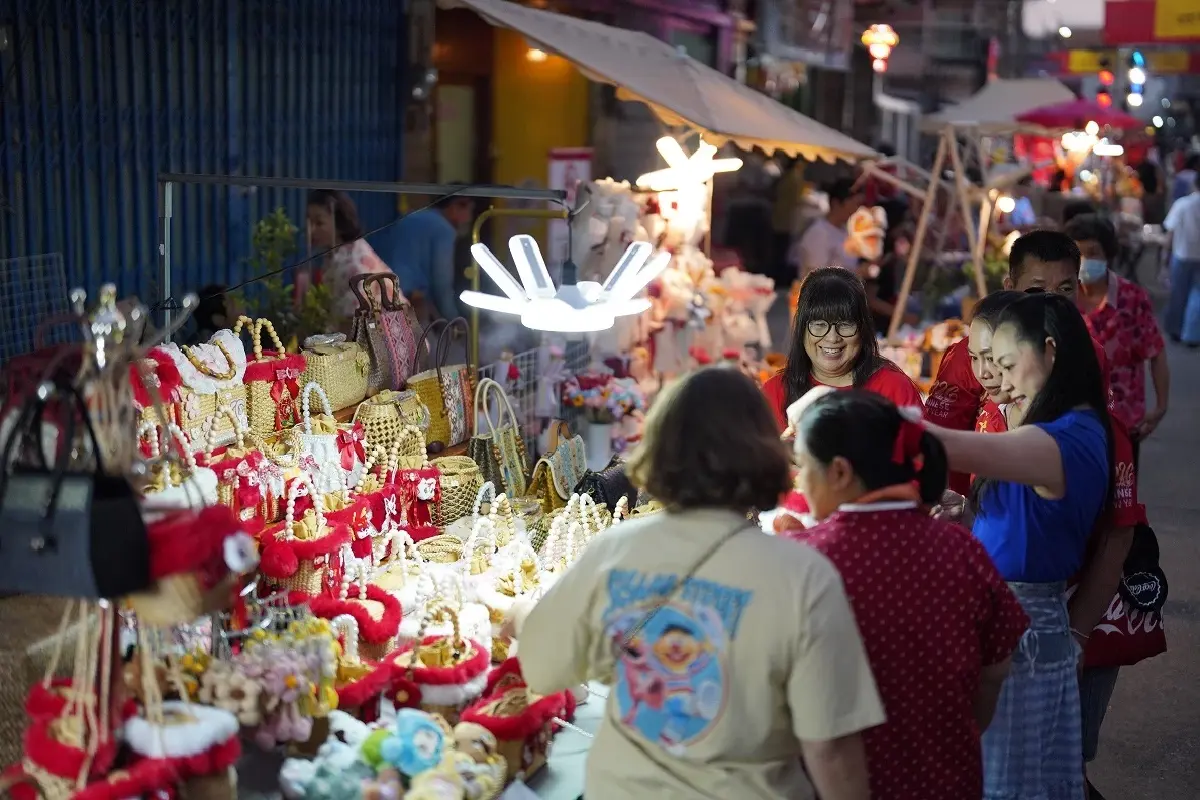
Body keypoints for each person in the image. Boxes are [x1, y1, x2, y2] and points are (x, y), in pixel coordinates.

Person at [507, 368, 884, 800]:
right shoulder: (805, 578)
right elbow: (832, 750)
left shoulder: (616, 549)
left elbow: (541, 667)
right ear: (765, 452)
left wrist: (521, 614)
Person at [784, 389, 1028, 800]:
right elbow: (996, 668)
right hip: (948, 779)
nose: (799, 482)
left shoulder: (801, 561)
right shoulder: (962, 549)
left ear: (840, 473)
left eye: (803, 467)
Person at [926, 291, 1114, 800]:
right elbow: (1011, 526)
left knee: (1007, 784)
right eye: (986, 362)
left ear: (1049, 352)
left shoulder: (1069, 436)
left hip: (1024, 639)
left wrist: (853, 420)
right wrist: (962, 515)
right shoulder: (1037, 429)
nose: (997, 379)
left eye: (1006, 363)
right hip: (1004, 628)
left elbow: (952, 445)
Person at [926, 230, 1103, 494]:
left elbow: (1106, 443)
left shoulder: (1091, 355)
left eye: (1064, 289)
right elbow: (939, 444)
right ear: (1010, 287)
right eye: (1036, 289)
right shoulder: (968, 356)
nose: (1051, 301)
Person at [763, 267, 923, 430]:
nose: (832, 338)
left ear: (863, 328)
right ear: (801, 329)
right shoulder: (773, 393)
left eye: (845, 325)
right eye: (819, 325)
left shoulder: (894, 390)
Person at [1067, 213, 1170, 460]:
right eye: (1077, 254)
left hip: (1123, 425)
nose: (1084, 261)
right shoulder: (1062, 301)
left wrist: (1160, 407)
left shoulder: (1133, 299)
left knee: (1121, 495)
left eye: (1092, 252)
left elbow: (1155, 353)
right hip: (1069, 424)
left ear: (1108, 254)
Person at [307, 189, 396, 329]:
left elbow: (353, 323)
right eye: (309, 222)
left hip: (387, 343)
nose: (311, 230)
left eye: (319, 222)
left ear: (340, 222)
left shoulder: (355, 263)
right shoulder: (334, 256)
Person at [389, 193, 475, 324]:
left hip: (385, 287)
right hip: (411, 295)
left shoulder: (412, 217)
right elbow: (441, 279)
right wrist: (454, 318)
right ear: (454, 207)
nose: (469, 218)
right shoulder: (443, 229)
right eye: (469, 210)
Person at [787, 178, 864, 280]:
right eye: (855, 204)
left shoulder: (846, 231)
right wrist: (858, 273)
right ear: (836, 203)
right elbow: (818, 279)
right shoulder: (818, 233)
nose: (858, 210)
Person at [1163, 169, 1200, 348]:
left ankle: (1176, 330)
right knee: (1197, 295)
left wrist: (1165, 256)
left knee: (1178, 294)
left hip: (1183, 254)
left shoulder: (1183, 204)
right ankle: (1192, 334)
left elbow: (1170, 231)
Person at [865, 226, 920, 332]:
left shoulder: (904, 267)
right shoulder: (886, 266)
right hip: (878, 327)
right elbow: (871, 299)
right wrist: (902, 316)